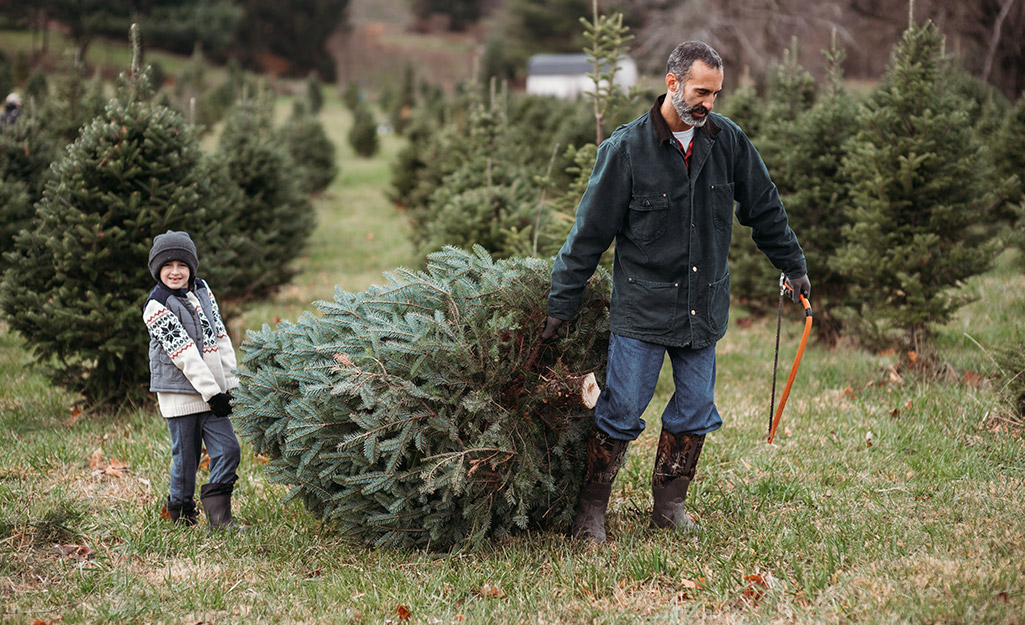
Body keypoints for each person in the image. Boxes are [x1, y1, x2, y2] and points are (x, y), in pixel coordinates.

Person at [542, 41, 811, 543]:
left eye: (717, 92)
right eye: (701, 91)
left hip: (701, 308)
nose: (710, 102)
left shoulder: (727, 142)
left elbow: (765, 207)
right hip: (642, 309)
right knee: (621, 409)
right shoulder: (626, 150)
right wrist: (562, 303)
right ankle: (591, 512)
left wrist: (792, 264)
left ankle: (669, 508)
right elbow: (587, 238)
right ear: (672, 83)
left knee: (694, 409)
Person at [143, 230, 242, 529]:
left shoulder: (202, 290)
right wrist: (213, 393)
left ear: (192, 267)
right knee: (186, 461)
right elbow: (183, 353)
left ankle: (219, 519)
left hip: (212, 395)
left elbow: (220, 335)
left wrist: (231, 386)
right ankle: (181, 515)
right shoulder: (156, 305)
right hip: (182, 396)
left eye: (182, 265)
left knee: (228, 449)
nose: (175, 272)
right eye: (168, 266)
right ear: (158, 270)